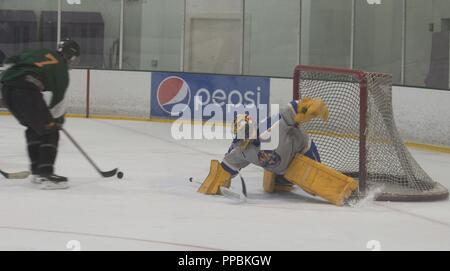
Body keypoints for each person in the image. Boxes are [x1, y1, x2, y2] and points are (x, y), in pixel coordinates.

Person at [197, 98, 359, 206]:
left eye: (246, 131)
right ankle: (281, 180)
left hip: (300, 152)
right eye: (240, 133)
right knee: (277, 181)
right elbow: (227, 166)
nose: (244, 137)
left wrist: (308, 105)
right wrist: (217, 181)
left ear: (252, 127)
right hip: (280, 163)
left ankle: (350, 192)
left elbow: (291, 110)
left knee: (312, 187)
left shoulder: (271, 127)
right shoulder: (240, 150)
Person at [0, 39, 80, 189]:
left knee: (34, 128)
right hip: (26, 89)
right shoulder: (61, 68)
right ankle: (46, 175)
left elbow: (10, 61)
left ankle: (37, 172)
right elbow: (57, 100)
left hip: (6, 90)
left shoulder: (41, 52)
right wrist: (57, 121)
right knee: (50, 129)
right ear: (72, 57)